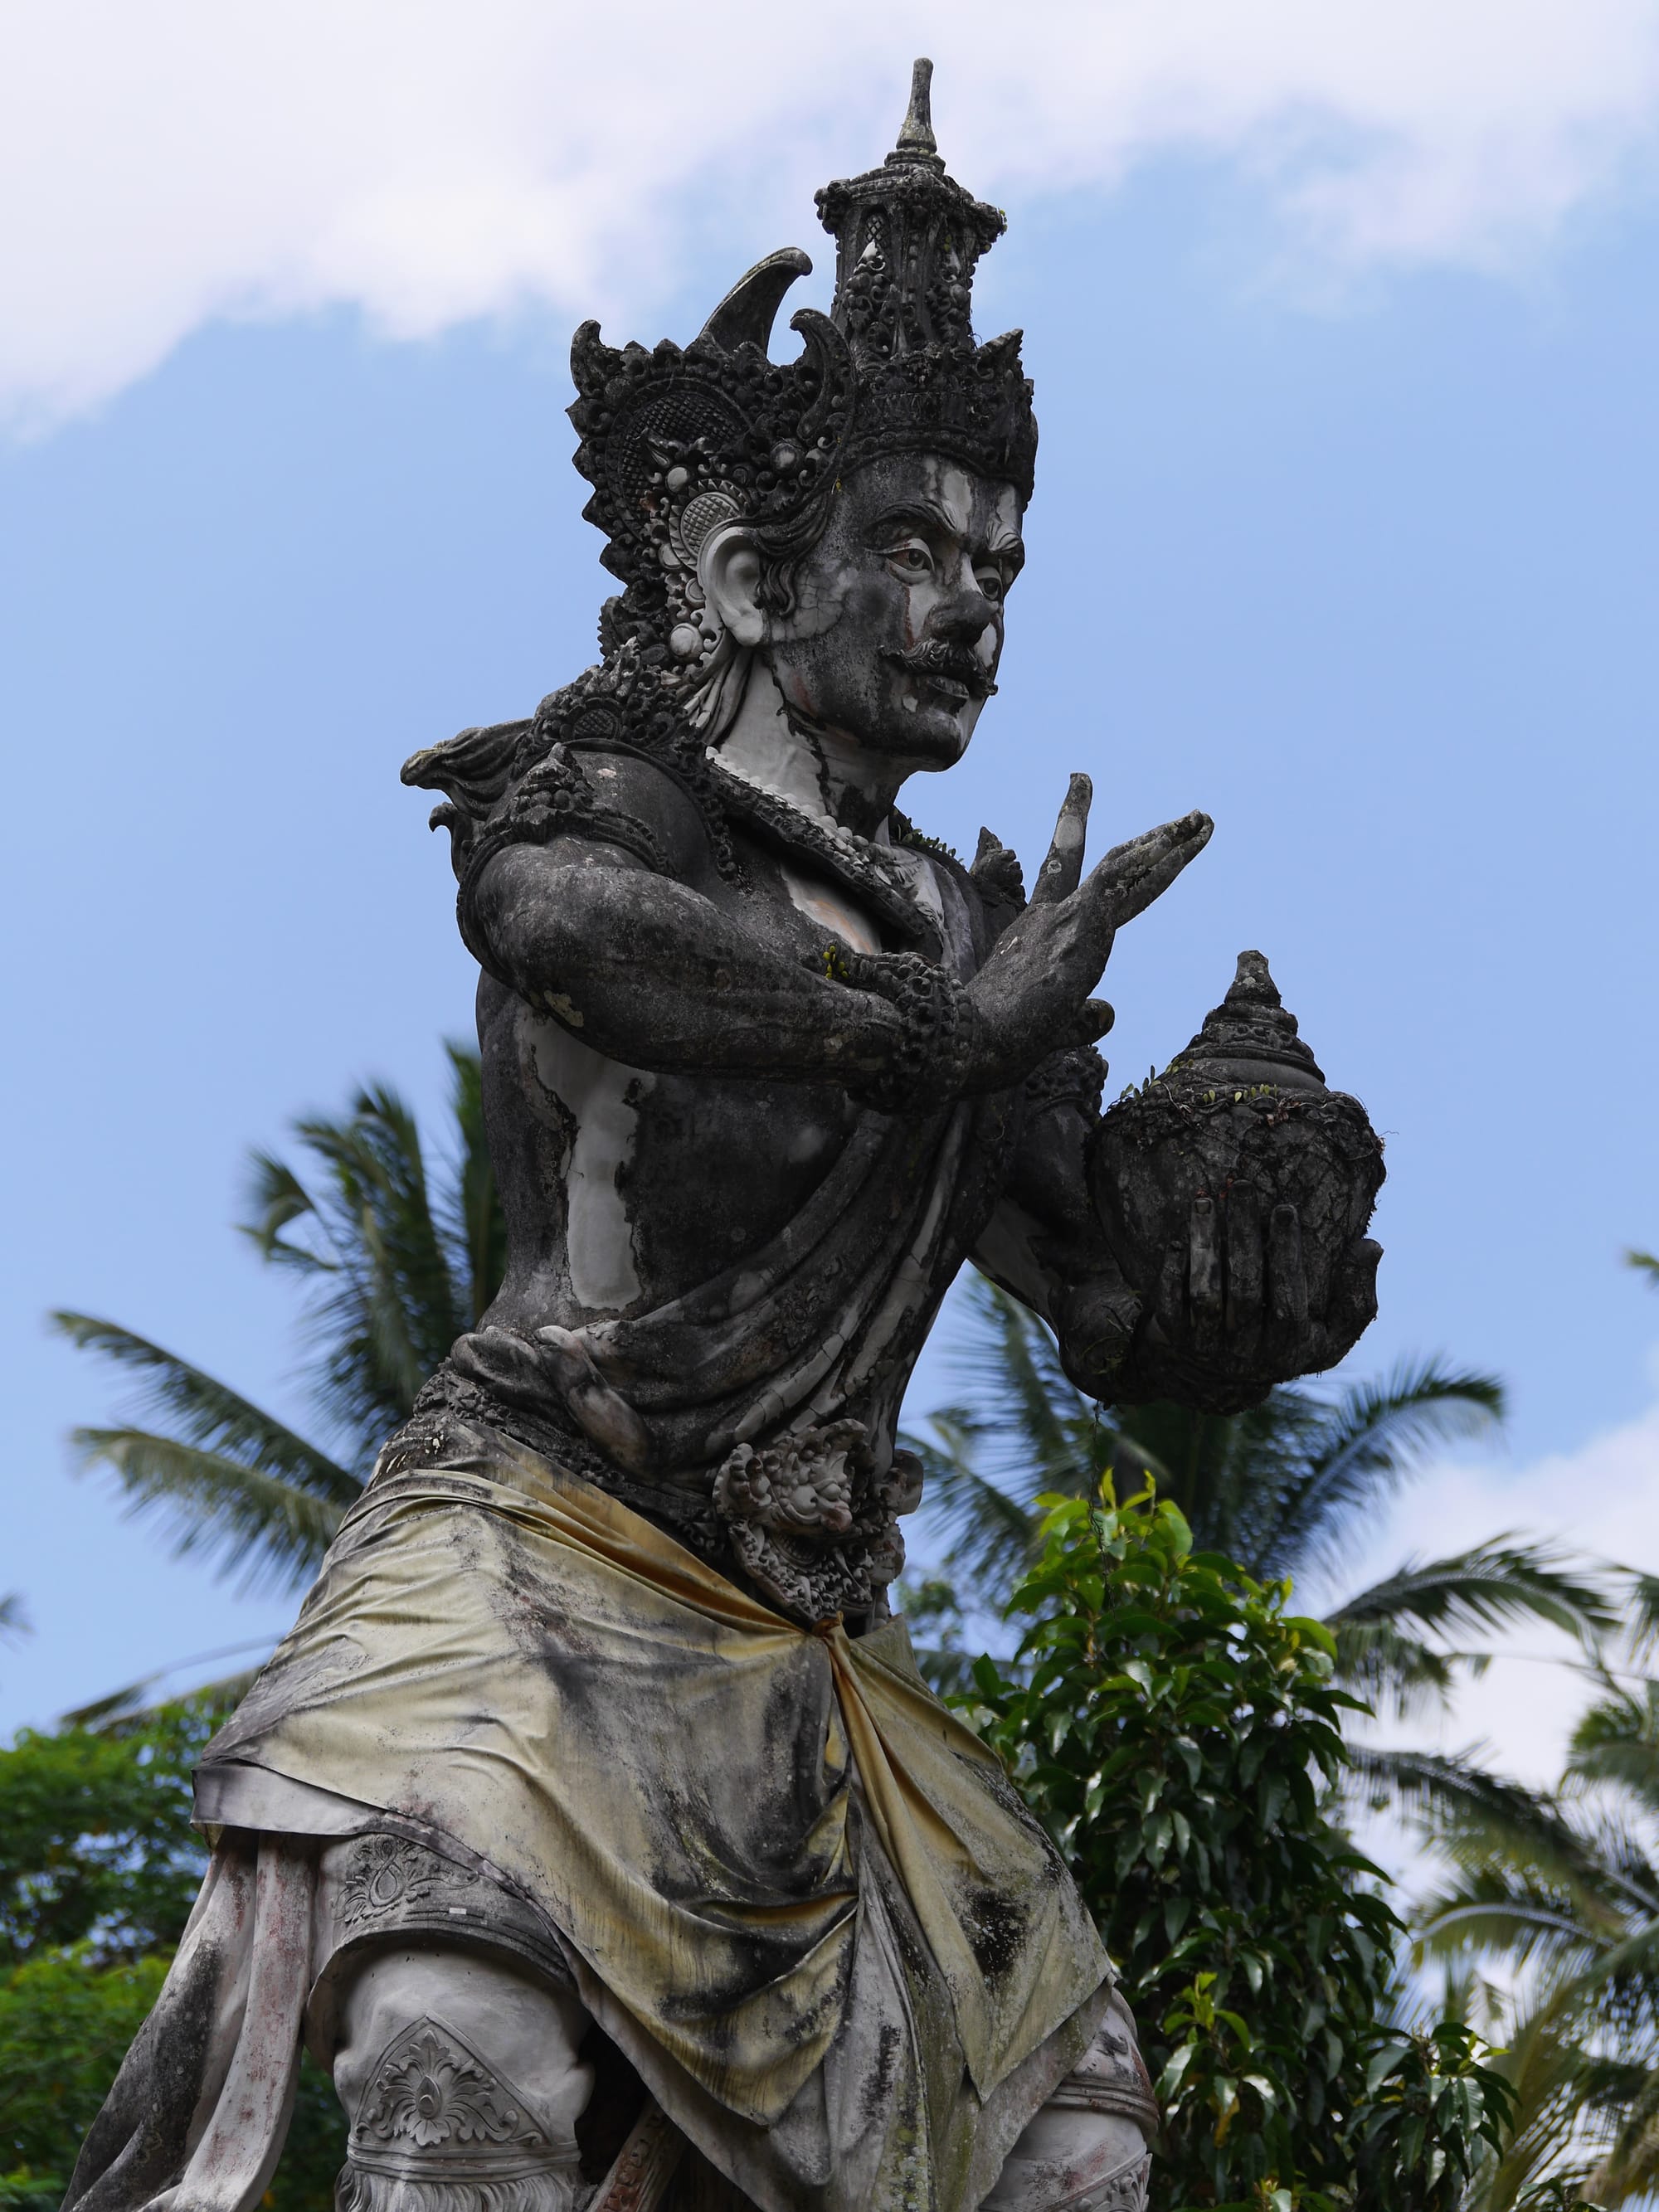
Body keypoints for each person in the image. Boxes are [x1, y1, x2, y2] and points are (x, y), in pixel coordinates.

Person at [66, 62, 1379, 2212]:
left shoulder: (976, 922)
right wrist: (949, 1031)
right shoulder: (615, 811)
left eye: (1001, 564)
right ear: (751, 569)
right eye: (919, 549)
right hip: (528, 1555)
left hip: (805, 1649)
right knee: (454, 2037)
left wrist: (1266, 1262)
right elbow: (559, 932)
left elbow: (1110, 1307)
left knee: (1073, 2127)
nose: (974, 606)